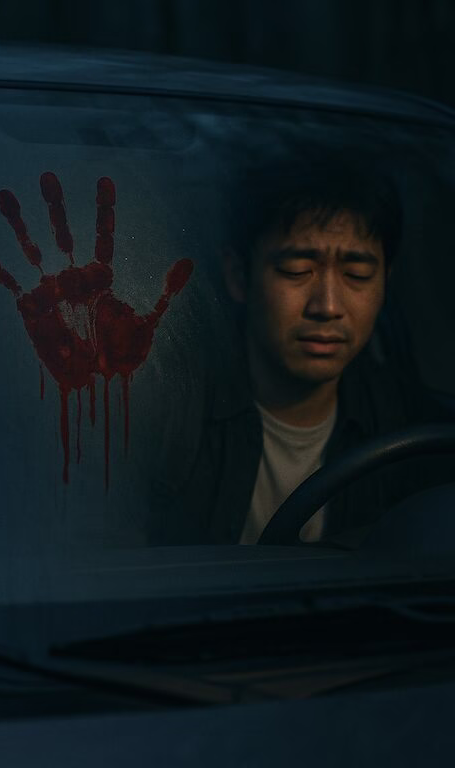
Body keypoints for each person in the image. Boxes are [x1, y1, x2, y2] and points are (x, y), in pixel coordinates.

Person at [147, 151, 455, 547]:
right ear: (239, 276)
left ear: (384, 283)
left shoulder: (411, 430)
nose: (327, 306)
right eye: (296, 271)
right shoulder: (166, 411)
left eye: (357, 274)